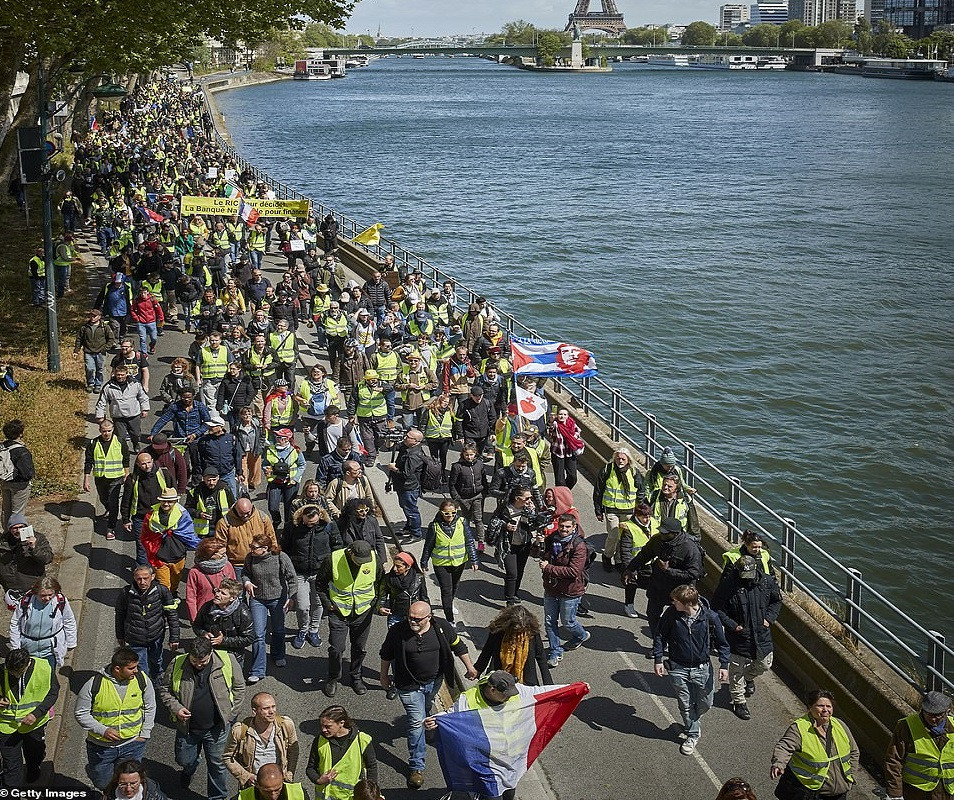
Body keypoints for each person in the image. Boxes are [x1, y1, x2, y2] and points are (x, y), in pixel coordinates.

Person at [379, 600, 478, 789]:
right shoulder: (397, 631)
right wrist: (384, 677)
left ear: (429, 617)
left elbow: (458, 646)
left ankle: (426, 726)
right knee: (416, 721)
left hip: (434, 682)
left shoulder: (442, 628)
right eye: (410, 617)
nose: (412, 621)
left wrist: (470, 667)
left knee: (425, 709)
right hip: (408, 686)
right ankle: (416, 766)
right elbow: (386, 654)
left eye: (417, 619)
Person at [157, 637, 246, 800]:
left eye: (202, 662)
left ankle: (218, 797)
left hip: (217, 728)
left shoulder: (228, 660)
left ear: (211, 653)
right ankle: (189, 769)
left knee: (218, 765)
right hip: (188, 728)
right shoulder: (178, 663)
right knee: (184, 760)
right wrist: (176, 708)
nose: (198, 665)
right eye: (194, 661)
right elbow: (164, 689)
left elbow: (240, 688)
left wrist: (230, 716)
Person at [421, 671, 526, 799]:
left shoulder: (512, 692)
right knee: (492, 795)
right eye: (505, 695)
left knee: (509, 793)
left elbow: (538, 695)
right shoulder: (468, 700)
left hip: (509, 758)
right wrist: (434, 720)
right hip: (486, 761)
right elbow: (452, 715)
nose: (509, 698)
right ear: (492, 689)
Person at [653, 584, 730, 755]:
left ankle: (693, 721)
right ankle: (693, 734)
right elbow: (660, 636)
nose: (673, 604)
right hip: (678, 668)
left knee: (706, 703)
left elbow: (722, 643)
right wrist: (658, 659)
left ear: (687, 603)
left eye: (676, 601)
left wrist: (724, 665)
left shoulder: (710, 617)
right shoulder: (671, 615)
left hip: (702, 669)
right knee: (685, 704)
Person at [74, 647, 157, 791]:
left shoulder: (142, 680)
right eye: (132, 668)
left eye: (136, 667)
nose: (136, 671)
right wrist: (102, 730)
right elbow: (81, 713)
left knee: (128, 786)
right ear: (117, 668)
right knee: (102, 783)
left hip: (132, 745)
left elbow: (150, 707)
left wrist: (144, 733)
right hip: (101, 748)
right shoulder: (94, 684)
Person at [712, 554, 782, 721]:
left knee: (765, 664)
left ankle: (749, 678)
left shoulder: (767, 581)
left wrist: (769, 619)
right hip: (739, 636)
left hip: (761, 633)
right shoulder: (729, 584)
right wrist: (732, 625)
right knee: (736, 671)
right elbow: (717, 607)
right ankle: (739, 701)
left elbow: (776, 601)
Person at [318, 540, 383, 698]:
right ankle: (333, 678)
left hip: (363, 612)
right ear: (350, 552)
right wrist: (328, 604)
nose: (361, 564)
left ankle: (356, 676)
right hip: (339, 612)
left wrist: (377, 603)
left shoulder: (374, 559)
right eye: (358, 560)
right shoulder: (333, 559)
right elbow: (320, 584)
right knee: (336, 648)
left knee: (359, 648)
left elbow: (381, 583)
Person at [623, 516, 704, 642]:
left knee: (680, 620)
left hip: (680, 591)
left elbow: (693, 574)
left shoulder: (689, 548)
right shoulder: (657, 540)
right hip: (658, 586)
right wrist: (630, 569)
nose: (661, 534)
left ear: (675, 533)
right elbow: (644, 555)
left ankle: (678, 643)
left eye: (665, 533)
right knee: (652, 614)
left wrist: (669, 571)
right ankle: (658, 642)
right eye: (661, 531)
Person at [771, 689, 859, 800]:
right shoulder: (799, 728)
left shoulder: (840, 725)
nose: (825, 710)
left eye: (829, 706)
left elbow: (854, 752)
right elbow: (784, 747)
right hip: (811, 793)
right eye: (820, 706)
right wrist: (779, 764)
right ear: (810, 707)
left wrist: (851, 776)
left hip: (839, 793)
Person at [536, 513, 590, 668]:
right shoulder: (552, 538)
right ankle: (555, 651)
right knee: (549, 621)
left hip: (570, 591)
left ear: (574, 527)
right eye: (561, 526)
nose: (564, 530)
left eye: (567, 527)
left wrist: (549, 568)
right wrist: (538, 544)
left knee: (568, 622)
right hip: (552, 588)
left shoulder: (579, 546)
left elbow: (573, 571)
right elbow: (539, 555)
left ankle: (581, 635)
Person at [0, 647, 58, 786]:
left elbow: (53, 693)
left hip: (34, 724)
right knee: (12, 767)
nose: (14, 675)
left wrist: (36, 714)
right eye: (11, 672)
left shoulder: (44, 668)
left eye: (17, 672)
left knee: (34, 754)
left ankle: (33, 769)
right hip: (7, 726)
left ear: (27, 664)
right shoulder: (3, 670)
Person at [243, 534, 297, 683]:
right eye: (251, 547)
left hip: (278, 599)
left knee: (279, 630)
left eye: (254, 548)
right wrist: (247, 582)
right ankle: (258, 670)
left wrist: (291, 597)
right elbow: (245, 573)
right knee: (258, 634)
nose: (251, 550)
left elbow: (292, 578)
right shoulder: (250, 558)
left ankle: (278, 655)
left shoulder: (280, 557)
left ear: (265, 548)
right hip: (257, 599)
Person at [884, 690, 954, 800]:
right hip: (917, 793)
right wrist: (895, 793)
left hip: (948, 792)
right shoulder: (906, 726)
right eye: (929, 714)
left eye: (938, 715)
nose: (933, 719)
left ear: (947, 711)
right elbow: (893, 760)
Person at [284, 503, 336, 651]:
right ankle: (303, 629)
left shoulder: (329, 526)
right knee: (302, 606)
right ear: (302, 518)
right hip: (300, 573)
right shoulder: (292, 527)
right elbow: (285, 547)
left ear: (319, 517)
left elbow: (337, 546)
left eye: (313, 523)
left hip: (320, 573)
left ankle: (314, 630)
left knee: (318, 603)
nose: (309, 526)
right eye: (307, 523)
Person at [115, 564, 180, 681]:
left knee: (157, 661)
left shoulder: (162, 591)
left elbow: (172, 614)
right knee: (142, 667)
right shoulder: (126, 593)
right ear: (134, 578)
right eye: (139, 578)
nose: (142, 582)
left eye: (146, 578)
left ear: (153, 576)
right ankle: (145, 686)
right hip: (136, 638)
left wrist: (174, 637)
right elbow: (120, 614)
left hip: (156, 636)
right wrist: (120, 635)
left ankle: (157, 682)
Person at [223, 692, 299, 789]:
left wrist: (289, 774)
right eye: (266, 708)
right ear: (255, 711)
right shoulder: (240, 730)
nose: (272, 711)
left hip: (280, 783)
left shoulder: (285, 725)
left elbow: (294, 750)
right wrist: (246, 776)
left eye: (273, 706)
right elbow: (228, 757)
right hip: (254, 784)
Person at [421, 500, 478, 625]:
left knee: (454, 586)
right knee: (446, 590)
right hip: (441, 564)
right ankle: (449, 620)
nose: (450, 516)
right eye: (447, 513)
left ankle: (449, 604)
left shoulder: (462, 522)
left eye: (453, 513)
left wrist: (474, 559)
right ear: (441, 513)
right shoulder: (434, 526)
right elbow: (428, 545)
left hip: (459, 562)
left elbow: (469, 542)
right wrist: (424, 562)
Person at [305, 705, 377, 799]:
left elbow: (371, 767)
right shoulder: (319, 740)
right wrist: (319, 780)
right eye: (322, 726)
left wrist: (370, 794)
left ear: (341, 723)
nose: (323, 730)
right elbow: (310, 768)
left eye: (328, 726)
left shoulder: (362, 740)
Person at [485, 487, 541, 607]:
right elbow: (493, 522)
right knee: (512, 573)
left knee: (520, 571)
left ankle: (515, 592)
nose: (530, 500)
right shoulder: (505, 508)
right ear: (517, 498)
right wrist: (506, 526)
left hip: (524, 545)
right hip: (508, 546)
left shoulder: (529, 508)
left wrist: (532, 512)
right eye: (527, 498)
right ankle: (509, 600)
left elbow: (535, 525)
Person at [592, 447, 644, 571]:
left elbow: (641, 491)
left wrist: (639, 509)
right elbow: (598, 491)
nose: (620, 461)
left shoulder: (634, 472)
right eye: (618, 458)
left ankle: (619, 560)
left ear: (628, 460)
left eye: (623, 459)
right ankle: (607, 557)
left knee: (623, 538)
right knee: (613, 536)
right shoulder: (607, 470)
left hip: (628, 511)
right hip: (611, 509)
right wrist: (598, 510)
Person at [473, 604, 552, 686]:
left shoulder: (532, 633)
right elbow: (487, 651)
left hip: (526, 681)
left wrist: (549, 684)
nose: (518, 633)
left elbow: (541, 657)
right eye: (515, 630)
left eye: (522, 630)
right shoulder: (498, 632)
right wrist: (477, 669)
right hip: (499, 678)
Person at [9, 576, 76, 670]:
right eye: (43, 595)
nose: (47, 598)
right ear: (35, 593)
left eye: (50, 595)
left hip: (49, 651)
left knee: (47, 677)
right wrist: (15, 647)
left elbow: (69, 620)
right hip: (28, 650)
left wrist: (71, 643)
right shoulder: (26, 602)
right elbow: (15, 623)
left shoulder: (60, 601)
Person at [140, 487, 199, 592]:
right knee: (164, 585)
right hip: (159, 558)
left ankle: (172, 595)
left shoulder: (183, 514)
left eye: (170, 501)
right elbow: (146, 536)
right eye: (164, 501)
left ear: (176, 501)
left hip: (178, 557)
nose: (166, 504)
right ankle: (166, 603)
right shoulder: (151, 515)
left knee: (175, 582)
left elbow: (188, 535)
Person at [83, 420, 130, 540]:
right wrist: (86, 479)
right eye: (104, 431)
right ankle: (109, 510)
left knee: (113, 502)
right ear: (100, 430)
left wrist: (127, 474)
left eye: (109, 430)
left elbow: (126, 459)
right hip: (100, 478)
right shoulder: (94, 443)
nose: (107, 433)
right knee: (104, 499)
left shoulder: (120, 442)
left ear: (113, 429)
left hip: (116, 478)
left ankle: (111, 527)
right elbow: (88, 462)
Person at [193, 578, 255, 668]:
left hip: (233, 657)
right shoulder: (207, 607)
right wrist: (203, 633)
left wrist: (223, 641)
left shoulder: (242, 613)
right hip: (211, 654)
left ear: (232, 598)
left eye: (223, 593)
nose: (217, 595)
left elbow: (249, 638)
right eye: (218, 591)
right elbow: (196, 625)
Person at [215, 498, 279, 581]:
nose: (245, 515)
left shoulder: (262, 518)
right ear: (235, 509)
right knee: (239, 592)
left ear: (252, 507)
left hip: (260, 561)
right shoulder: (224, 523)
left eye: (247, 513)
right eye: (241, 513)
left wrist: (274, 556)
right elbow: (220, 546)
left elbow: (271, 538)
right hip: (238, 565)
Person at [448, 442, 491, 551]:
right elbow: (452, 484)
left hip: (478, 496)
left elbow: (484, 479)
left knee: (478, 519)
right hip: (464, 498)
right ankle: (466, 539)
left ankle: (481, 541)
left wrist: (485, 492)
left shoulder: (480, 464)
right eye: (467, 455)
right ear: (463, 454)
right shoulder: (457, 466)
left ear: (475, 454)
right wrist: (457, 498)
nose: (469, 457)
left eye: (471, 455)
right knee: (466, 519)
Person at [96, 365, 151, 449]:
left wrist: (145, 409)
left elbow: (143, 397)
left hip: (133, 415)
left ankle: (135, 443)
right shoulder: (108, 387)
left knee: (136, 434)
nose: (120, 377)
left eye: (122, 374)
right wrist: (100, 416)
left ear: (126, 374)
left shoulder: (135, 384)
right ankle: (123, 450)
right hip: (118, 417)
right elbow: (101, 402)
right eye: (118, 374)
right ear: (114, 374)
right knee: (121, 437)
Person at [186, 537, 239, 622]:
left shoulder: (227, 565)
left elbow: (234, 588)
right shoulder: (195, 572)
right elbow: (191, 598)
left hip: (226, 612)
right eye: (222, 553)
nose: (224, 555)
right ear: (211, 554)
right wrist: (195, 619)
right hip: (206, 613)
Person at [0, 513, 53, 595]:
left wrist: (33, 548)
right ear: (10, 529)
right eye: (15, 528)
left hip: (33, 587)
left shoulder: (38, 538)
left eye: (21, 527)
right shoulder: (3, 541)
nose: (18, 530)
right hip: (12, 590)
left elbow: (48, 558)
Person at [263, 429, 305, 530]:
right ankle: (277, 520)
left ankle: (288, 527)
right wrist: (266, 469)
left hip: (290, 483)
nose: (278, 439)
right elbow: (265, 464)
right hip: (275, 482)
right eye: (277, 437)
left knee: (289, 507)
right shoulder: (270, 450)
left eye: (281, 438)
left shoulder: (295, 450)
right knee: (272, 507)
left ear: (287, 439)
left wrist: (295, 478)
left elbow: (302, 464)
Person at [387, 428, 425, 542]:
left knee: (411, 510)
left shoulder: (415, 455)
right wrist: (390, 441)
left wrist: (394, 468)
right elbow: (393, 447)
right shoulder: (407, 447)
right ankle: (409, 527)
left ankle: (416, 533)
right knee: (405, 507)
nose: (405, 438)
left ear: (416, 441)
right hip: (402, 485)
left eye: (408, 437)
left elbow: (406, 474)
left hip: (409, 487)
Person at [377, 552, 428, 636]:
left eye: (399, 566)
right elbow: (382, 596)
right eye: (394, 565)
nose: (394, 569)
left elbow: (424, 597)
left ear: (408, 567)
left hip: (414, 617)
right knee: (394, 640)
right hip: (396, 615)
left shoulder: (419, 578)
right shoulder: (388, 578)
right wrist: (380, 608)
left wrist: (427, 614)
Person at [334, 498, 388, 569]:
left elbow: (379, 539)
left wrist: (382, 560)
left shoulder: (372, 521)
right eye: (361, 511)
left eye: (366, 510)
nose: (364, 513)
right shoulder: (343, 523)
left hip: (369, 556)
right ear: (353, 511)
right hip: (352, 558)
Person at [74, 308, 117, 392]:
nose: (92, 317)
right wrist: (76, 350)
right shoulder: (84, 327)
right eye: (91, 315)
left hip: (101, 352)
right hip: (88, 352)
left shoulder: (105, 327)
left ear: (99, 317)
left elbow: (111, 339)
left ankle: (98, 384)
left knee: (100, 369)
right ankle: (90, 383)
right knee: (89, 368)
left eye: (94, 316)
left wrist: (105, 348)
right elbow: (79, 339)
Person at [187, 467, 236, 539]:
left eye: (214, 480)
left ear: (218, 477)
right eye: (208, 480)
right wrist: (199, 514)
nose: (211, 483)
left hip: (222, 527)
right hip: (203, 531)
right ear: (203, 479)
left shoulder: (225, 489)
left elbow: (233, 507)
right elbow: (187, 509)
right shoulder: (196, 492)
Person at [2, 420, 35, 527]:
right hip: (20, 485)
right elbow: (28, 473)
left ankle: (5, 535)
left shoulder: (3, 446)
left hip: (5, 481)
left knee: (6, 510)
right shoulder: (21, 450)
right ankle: (16, 539)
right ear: (20, 433)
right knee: (18, 514)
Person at [548, 408, 584, 489]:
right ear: (557, 415)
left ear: (568, 416)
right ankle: (561, 495)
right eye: (560, 414)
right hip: (558, 452)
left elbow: (578, 431)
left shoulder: (572, 423)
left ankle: (565, 491)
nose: (562, 416)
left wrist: (571, 438)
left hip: (569, 452)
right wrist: (550, 421)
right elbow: (550, 430)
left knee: (573, 477)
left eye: (564, 414)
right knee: (560, 480)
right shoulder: (555, 424)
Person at [102, 759, 169, 800]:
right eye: (123, 784)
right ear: (117, 781)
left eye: (133, 783)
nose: (128, 789)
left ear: (141, 780)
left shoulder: (154, 797)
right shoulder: (110, 793)